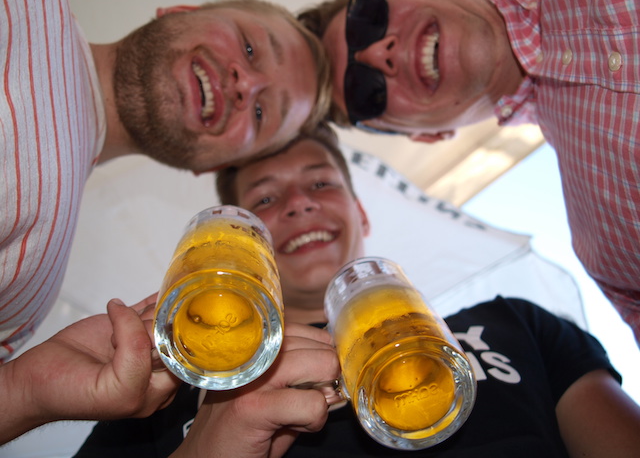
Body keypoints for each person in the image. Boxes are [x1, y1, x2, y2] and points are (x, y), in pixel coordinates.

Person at [75, 123, 640, 457]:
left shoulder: (518, 322)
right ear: (247, 241)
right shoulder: (158, 388)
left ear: (361, 212)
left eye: (321, 183)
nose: (299, 203)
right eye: (266, 199)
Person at [0, 0, 330, 444]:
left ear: (212, 165)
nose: (246, 84)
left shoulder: (31, 283)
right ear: (179, 11)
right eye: (251, 48)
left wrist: (24, 392)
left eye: (261, 114)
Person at [297, 0, 640, 345]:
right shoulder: (610, 247)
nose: (381, 53)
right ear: (429, 136)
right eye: (365, 91)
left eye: (367, 20)